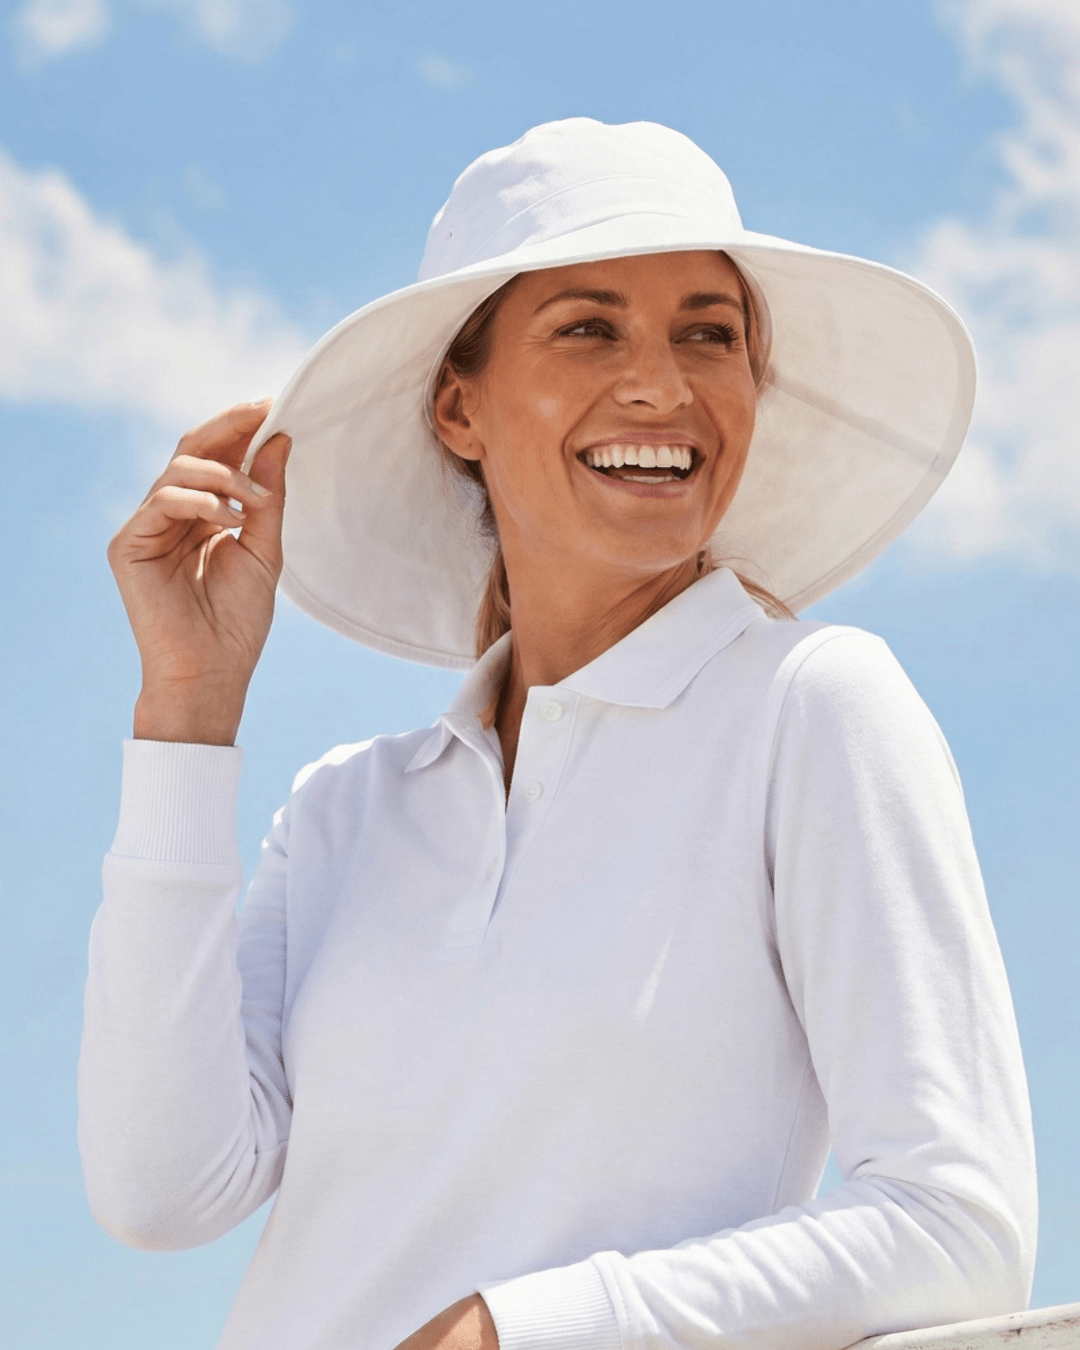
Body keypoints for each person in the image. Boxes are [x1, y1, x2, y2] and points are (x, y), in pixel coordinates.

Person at [79, 119, 1037, 1350]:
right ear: (458, 408)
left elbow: (958, 1230)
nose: (662, 384)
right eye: (590, 328)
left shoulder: (814, 708)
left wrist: (516, 1329)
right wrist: (186, 713)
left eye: (710, 334)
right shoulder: (345, 809)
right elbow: (159, 1191)